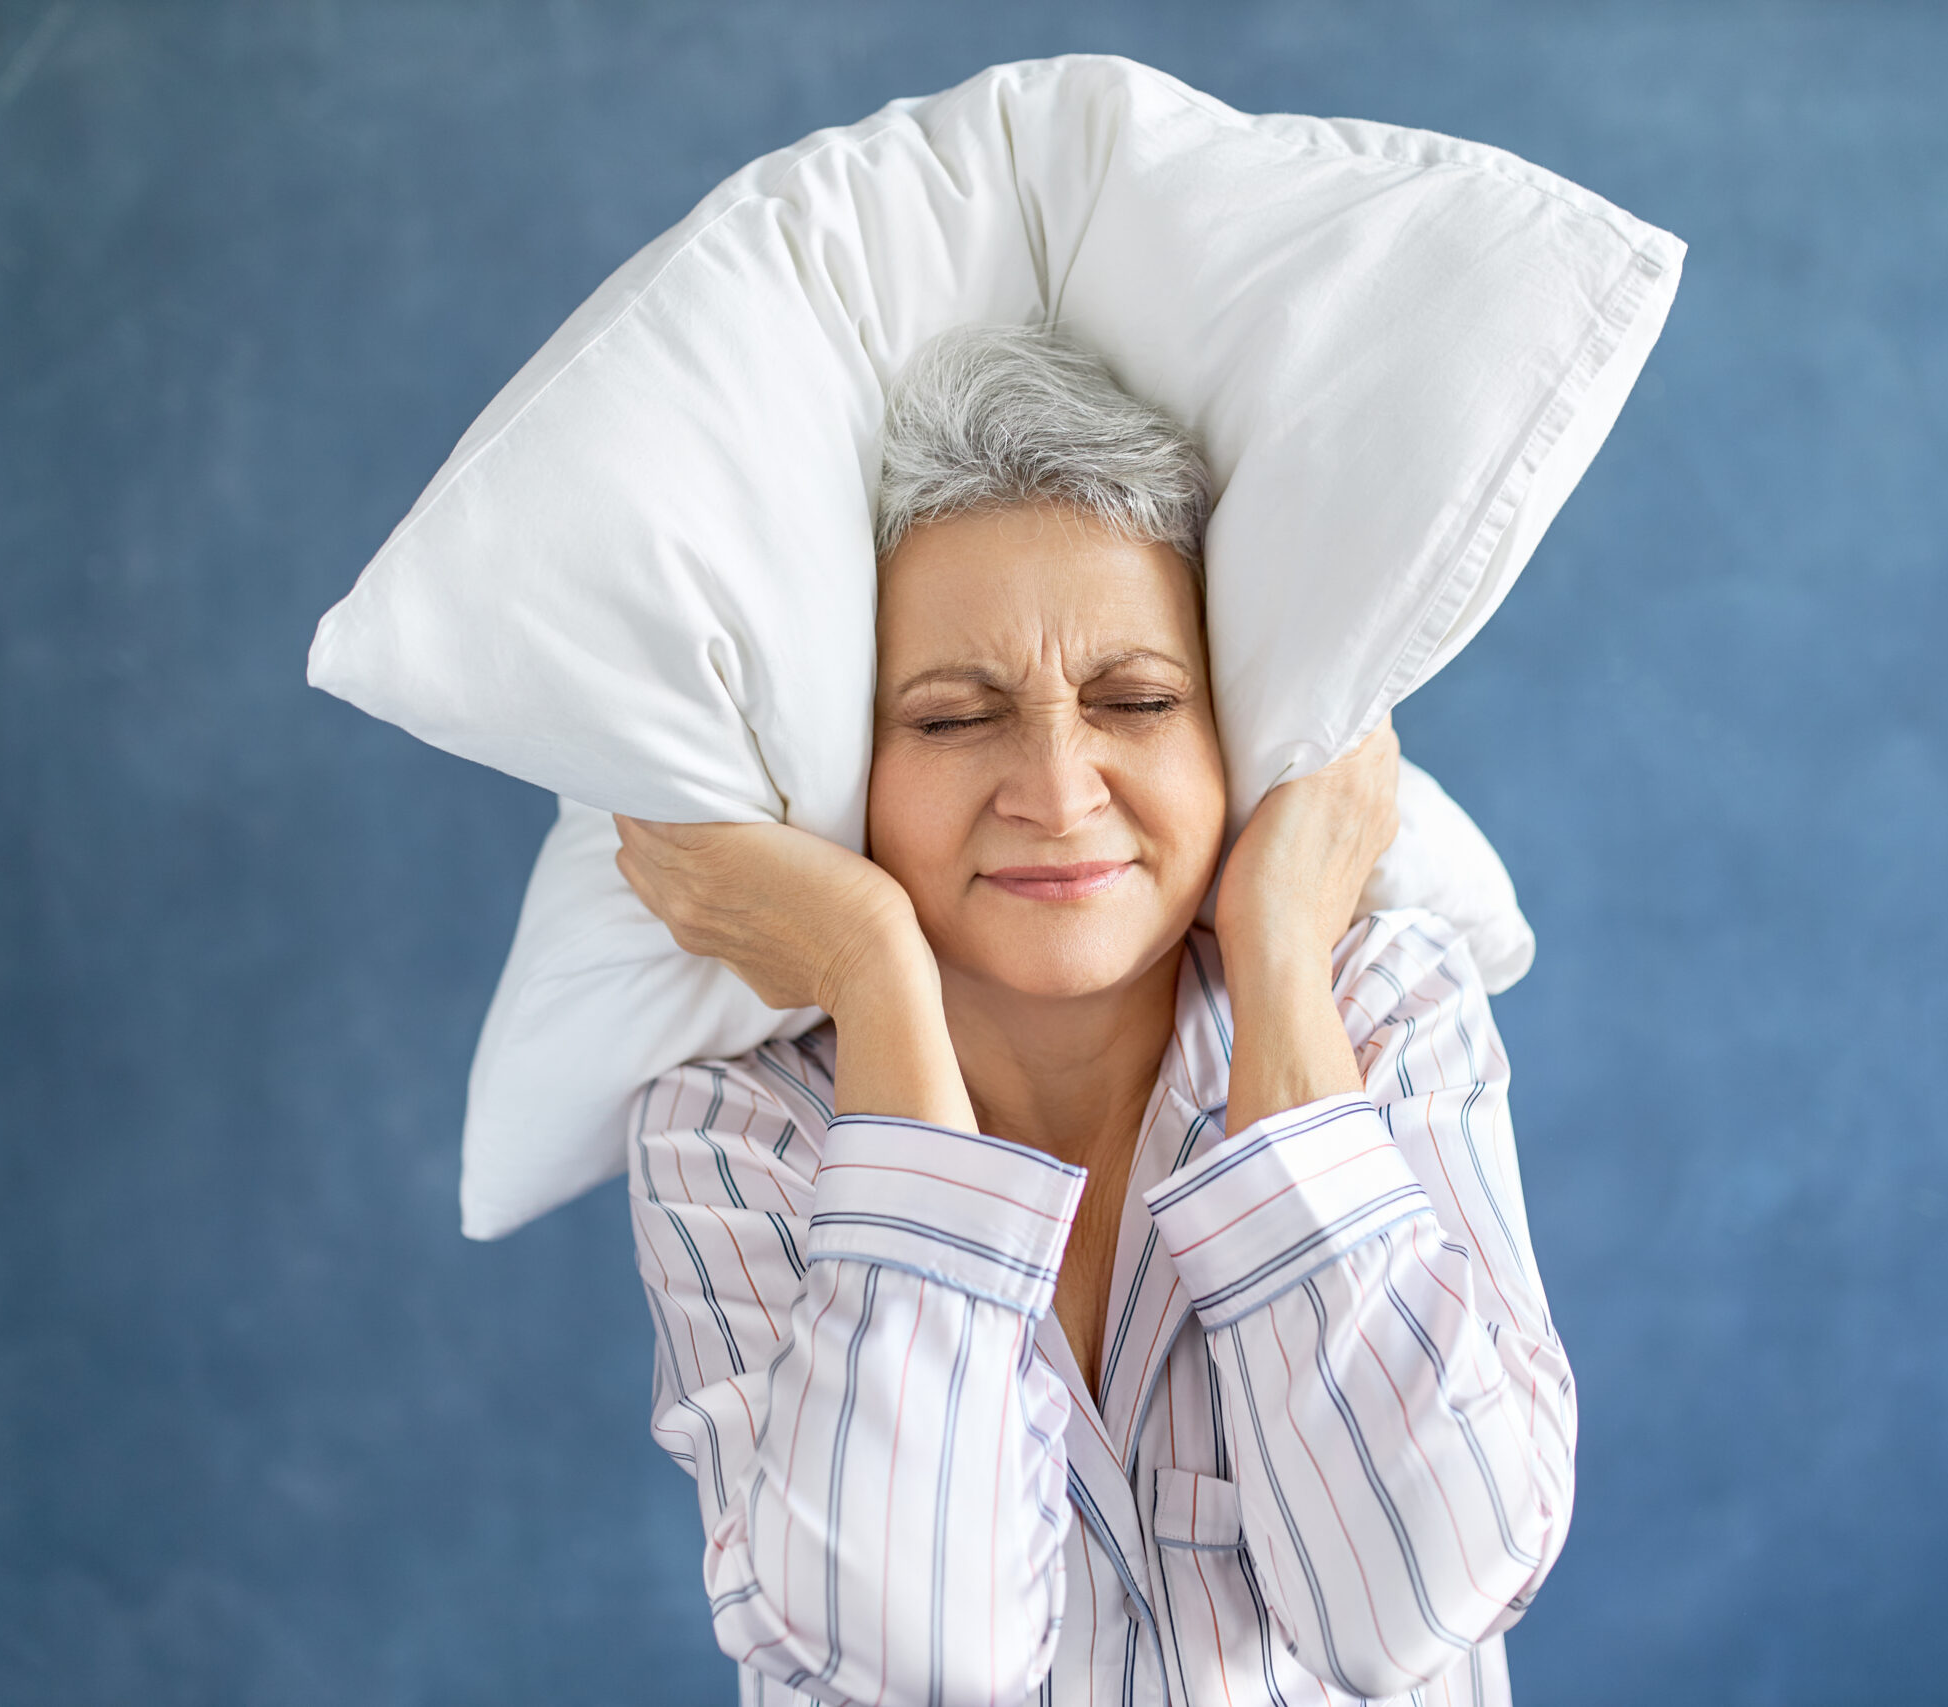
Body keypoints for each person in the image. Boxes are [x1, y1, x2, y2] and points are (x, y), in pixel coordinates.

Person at [613, 326, 1572, 1707]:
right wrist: (872, 967)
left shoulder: (1385, 1013)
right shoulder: (730, 1131)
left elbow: (1416, 1600)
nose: (1058, 792)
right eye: (952, 720)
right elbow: (914, 1653)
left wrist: (1284, 947)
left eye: (1135, 699)